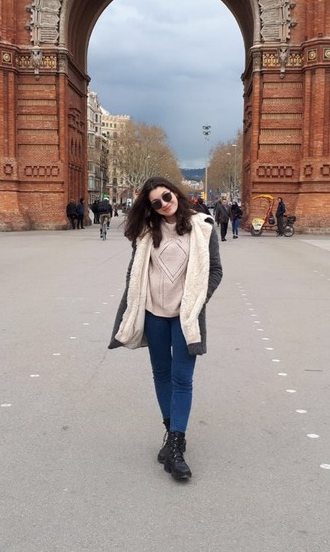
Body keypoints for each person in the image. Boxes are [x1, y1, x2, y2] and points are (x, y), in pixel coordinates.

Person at [108, 177, 223, 481]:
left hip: (185, 317)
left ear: (176, 192)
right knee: (161, 374)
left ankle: (175, 446)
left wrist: (199, 300)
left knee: (182, 379)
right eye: (155, 203)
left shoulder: (204, 226)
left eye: (166, 197)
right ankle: (173, 434)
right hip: (154, 314)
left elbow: (215, 270)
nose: (163, 204)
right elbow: (135, 272)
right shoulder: (147, 232)